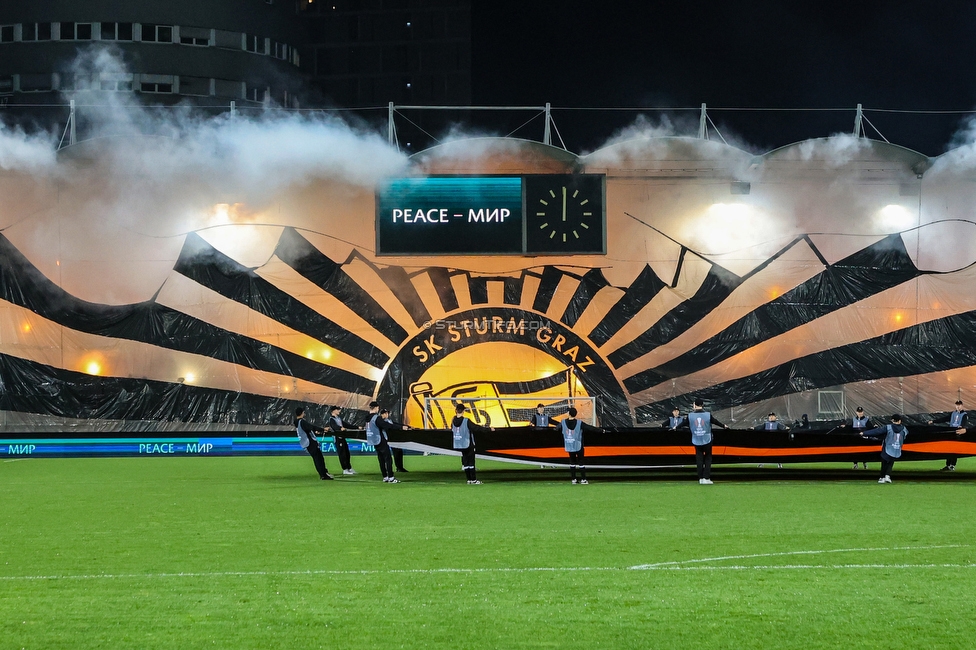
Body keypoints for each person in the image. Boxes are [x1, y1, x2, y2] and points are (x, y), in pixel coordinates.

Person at [678, 398, 729, 485]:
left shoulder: (690, 415)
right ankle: (706, 477)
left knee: (699, 459)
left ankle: (701, 478)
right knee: (708, 458)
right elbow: (716, 422)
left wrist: (675, 427)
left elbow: (683, 424)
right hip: (707, 439)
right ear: (702, 405)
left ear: (695, 405)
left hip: (696, 439)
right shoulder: (707, 415)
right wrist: (724, 426)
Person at [364, 401, 410, 483]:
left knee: (381, 459)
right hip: (380, 440)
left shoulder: (367, 418)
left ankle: (385, 476)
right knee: (388, 459)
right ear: (376, 408)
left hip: (373, 440)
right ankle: (391, 477)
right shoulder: (376, 418)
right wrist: (401, 428)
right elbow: (387, 426)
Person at [558, 406, 603, 484]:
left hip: (569, 444)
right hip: (578, 445)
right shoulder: (579, 423)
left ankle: (573, 479)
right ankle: (583, 479)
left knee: (572, 462)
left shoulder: (562, 422)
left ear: (569, 414)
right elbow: (590, 428)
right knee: (581, 461)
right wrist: (601, 430)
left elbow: (556, 428)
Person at [451, 403, 494, 484]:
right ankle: (473, 480)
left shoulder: (453, 421)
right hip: (468, 443)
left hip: (459, 443)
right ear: (463, 411)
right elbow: (476, 428)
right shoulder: (466, 421)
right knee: (471, 462)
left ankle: (469, 480)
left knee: (465, 462)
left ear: (456, 410)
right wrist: (488, 429)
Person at [859, 414, 908, 483]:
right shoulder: (904, 429)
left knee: (884, 461)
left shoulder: (888, 427)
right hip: (896, 448)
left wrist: (864, 433)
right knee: (891, 462)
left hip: (887, 447)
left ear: (892, 420)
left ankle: (882, 477)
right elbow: (904, 436)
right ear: (900, 421)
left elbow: (877, 431)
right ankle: (887, 476)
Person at [294, 407, 334, 481]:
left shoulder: (297, 422)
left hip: (306, 443)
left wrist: (316, 431)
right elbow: (311, 427)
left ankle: (323, 474)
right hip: (310, 443)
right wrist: (323, 429)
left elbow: (307, 429)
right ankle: (323, 474)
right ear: (302, 413)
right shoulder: (302, 422)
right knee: (318, 459)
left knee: (318, 458)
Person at [927, 400, 968, 471]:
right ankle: (948, 465)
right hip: (951, 433)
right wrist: (933, 421)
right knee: (949, 449)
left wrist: (961, 426)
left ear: (962, 406)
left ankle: (952, 465)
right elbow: (944, 419)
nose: (958, 406)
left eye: (959, 405)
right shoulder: (953, 413)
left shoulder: (964, 414)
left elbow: (963, 423)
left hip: (958, 433)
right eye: (957, 405)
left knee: (954, 450)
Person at [327, 405, 355, 475]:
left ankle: (349, 468)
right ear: (333, 411)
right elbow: (334, 426)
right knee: (342, 454)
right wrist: (340, 428)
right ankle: (345, 469)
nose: (339, 411)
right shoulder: (331, 419)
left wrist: (357, 427)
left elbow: (346, 425)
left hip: (342, 437)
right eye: (338, 409)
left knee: (347, 453)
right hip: (337, 438)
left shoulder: (338, 418)